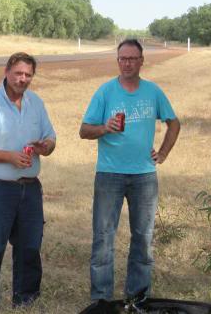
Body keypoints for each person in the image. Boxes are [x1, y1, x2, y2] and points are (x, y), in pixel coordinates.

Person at [79, 39, 181, 303]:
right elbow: (84, 131)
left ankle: (137, 298)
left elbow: (174, 123)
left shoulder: (153, 92)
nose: (127, 63)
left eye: (132, 58)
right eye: (122, 58)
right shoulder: (105, 92)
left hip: (144, 176)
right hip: (109, 175)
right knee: (103, 238)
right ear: (117, 61)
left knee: (143, 239)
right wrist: (104, 128)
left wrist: (164, 152)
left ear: (141, 61)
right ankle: (101, 299)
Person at [0, 52, 56, 312]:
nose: (23, 79)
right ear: (7, 72)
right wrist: (9, 158)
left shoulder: (35, 103)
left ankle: (26, 298)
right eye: (18, 73)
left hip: (30, 189)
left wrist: (45, 146)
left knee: (30, 247)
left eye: (28, 75)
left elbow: (51, 139)